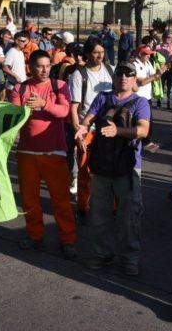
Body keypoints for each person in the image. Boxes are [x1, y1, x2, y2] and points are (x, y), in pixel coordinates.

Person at [75, 62, 150, 276]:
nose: (124, 77)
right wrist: (81, 130)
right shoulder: (103, 98)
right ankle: (101, 254)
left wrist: (119, 131)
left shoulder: (140, 103)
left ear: (135, 79)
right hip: (101, 165)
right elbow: (87, 120)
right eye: (120, 73)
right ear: (114, 77)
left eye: (129, 74)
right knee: (99, 215)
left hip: (127, 168)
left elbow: (143, 131)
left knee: (129, 217)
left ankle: (129, 258)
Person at [10, 50, 76, 258]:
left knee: (61, 201)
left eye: (48, 65)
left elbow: (64, 112)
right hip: (27, 153)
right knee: (29, 200)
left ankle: (68, 240)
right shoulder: (20, 88)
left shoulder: (60, 86)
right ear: (30, 67)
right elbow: (14, 115)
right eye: (39, 65)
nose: (45, 69)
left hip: (54, 152)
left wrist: (43, 104)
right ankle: (35, 236)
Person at [69, 40, 114, 219]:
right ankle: (83, 207)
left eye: (102, 52)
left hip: (109, 129)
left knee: (111, 169)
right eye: (95, 52)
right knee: (86, 170)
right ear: (87, 54)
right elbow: (74, 107)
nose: (100, 55)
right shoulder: (79, 75)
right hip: (87, 130)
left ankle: (111, 207)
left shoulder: (110, 70)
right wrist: (78, 133)